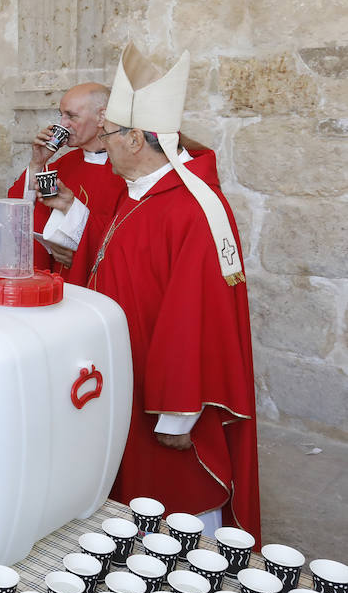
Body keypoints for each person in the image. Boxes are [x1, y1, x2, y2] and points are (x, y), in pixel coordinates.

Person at [86, 44, 260, 540]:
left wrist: (178, 417)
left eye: (110, 133)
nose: (103, 142)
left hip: (166, 399)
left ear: (137, 139)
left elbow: (195, 316)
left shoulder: (193, 210)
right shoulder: (138, 192)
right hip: (127, 375)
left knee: (174, 516)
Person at [4, 83, 127, 281]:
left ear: (102, 117)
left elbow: (126, 242)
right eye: (61, 115)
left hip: (96, 283)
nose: (63, 123)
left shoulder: (125, 172)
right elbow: (20, 215)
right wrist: (38, 163)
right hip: (56, 279)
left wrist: (83, 254)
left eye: (71, 116)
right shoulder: (63, 164)